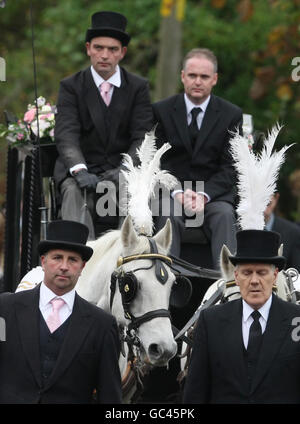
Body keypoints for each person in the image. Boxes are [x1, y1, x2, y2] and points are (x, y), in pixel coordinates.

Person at [54, 11, 153, 239]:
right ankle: (81, 256)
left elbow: (142, 136)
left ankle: (124, 260)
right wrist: (79, 170)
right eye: (98, 48)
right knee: (72, 190)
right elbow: (66, 133)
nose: (104, 55)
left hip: (121, 171)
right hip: (81, 170)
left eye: (112, 49)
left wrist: (125, 170)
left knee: (133, 191)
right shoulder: (71, 86)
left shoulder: (138, 87)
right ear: (88, 48)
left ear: (123, 53)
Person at [0, 220, 122, 404]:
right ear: (43, 261)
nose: (64, 266)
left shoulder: (102, 325)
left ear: (82, 267)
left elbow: (110, 396)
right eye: (57, 257)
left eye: (72, 260)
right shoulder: (5, 308)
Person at [183, 229, 300, 404]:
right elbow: (195, 393)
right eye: (247, 273)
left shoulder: (296, 320)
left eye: (261, 272)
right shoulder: (210, 321)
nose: (254, 281)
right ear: (236, 277)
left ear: (275, 276)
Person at [152, 48, 243, 270]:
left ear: (214, 79)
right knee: (167, 213)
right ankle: (165, 280)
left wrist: (204, 195)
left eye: (204, 77)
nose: (197, 82)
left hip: (213, 195)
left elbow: (231, 167)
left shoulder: (231, 115)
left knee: (224, 215)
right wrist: (177, 191)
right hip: (172, 191)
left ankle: (227, 284)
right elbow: (156, 161)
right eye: (192, 76)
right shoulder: (161, 111)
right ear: (183, 76)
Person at [264, 192, 300, 272]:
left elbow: (297, 274)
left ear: (276, 198)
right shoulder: (239, 230)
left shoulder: (293, 232)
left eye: (268, 202)